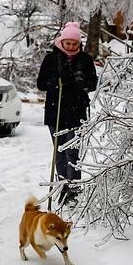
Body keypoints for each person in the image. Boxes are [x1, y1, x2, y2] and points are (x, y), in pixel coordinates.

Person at [36, 22, 98, 205]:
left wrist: (82, 82)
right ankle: (62, 185)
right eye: (68, 43)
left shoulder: (85, 59)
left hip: (77, 112)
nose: (71, 47)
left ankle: (74, 188)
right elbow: (41, 84)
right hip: (56, 112)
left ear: (79, 44)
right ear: (61, 41)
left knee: (73, 152)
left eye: (74, 44)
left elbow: (93, 83)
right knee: (60, 151)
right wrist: (56, 81)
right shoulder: (51, 59)